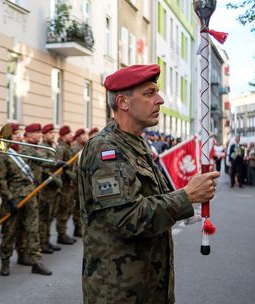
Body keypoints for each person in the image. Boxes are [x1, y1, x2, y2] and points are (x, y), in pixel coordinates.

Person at [78, 64, 220, 304]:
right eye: (149, 93)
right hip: (119, 292)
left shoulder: (137, 144)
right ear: (123, 102)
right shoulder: (107, 148)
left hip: (149, 286)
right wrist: (187, 196)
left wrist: (190, 195)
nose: (160, 100)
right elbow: (126, 218)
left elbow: (151, 200)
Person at [0, 123, 52, 276]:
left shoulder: (23, 150)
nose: (18, 136)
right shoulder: (2, 154)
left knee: (32, 229)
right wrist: (9, 199)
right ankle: (5, 263)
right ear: (7, 136)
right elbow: (0, 180)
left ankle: (36, 261)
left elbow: (39, 162)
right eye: (14, 134)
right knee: (10, 232)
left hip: (30, 196)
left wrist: (56, 163)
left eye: (18, 133)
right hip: (14, 199)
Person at [37, 123, 62, 253]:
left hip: (54, 187)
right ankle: (42, 242)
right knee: (44, 217)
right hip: (46, 187)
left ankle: (47, 240)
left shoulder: (52, 147)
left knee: (50, 216)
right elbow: (44, 164)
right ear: (44, 134)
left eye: (54, 132)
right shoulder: (42, 147)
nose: (53, 135)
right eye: (50, 133)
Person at [55, 125, 77, 245]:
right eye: (68, 134)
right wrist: (69, 174)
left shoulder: (68, 147)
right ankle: (61, 234)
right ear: (63, 136)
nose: (71, 136)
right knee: (63, 210)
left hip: (69, 185)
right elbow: (59, 166)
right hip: (64, 184)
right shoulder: (60, 149)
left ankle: (63, 233)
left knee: (68, 209)